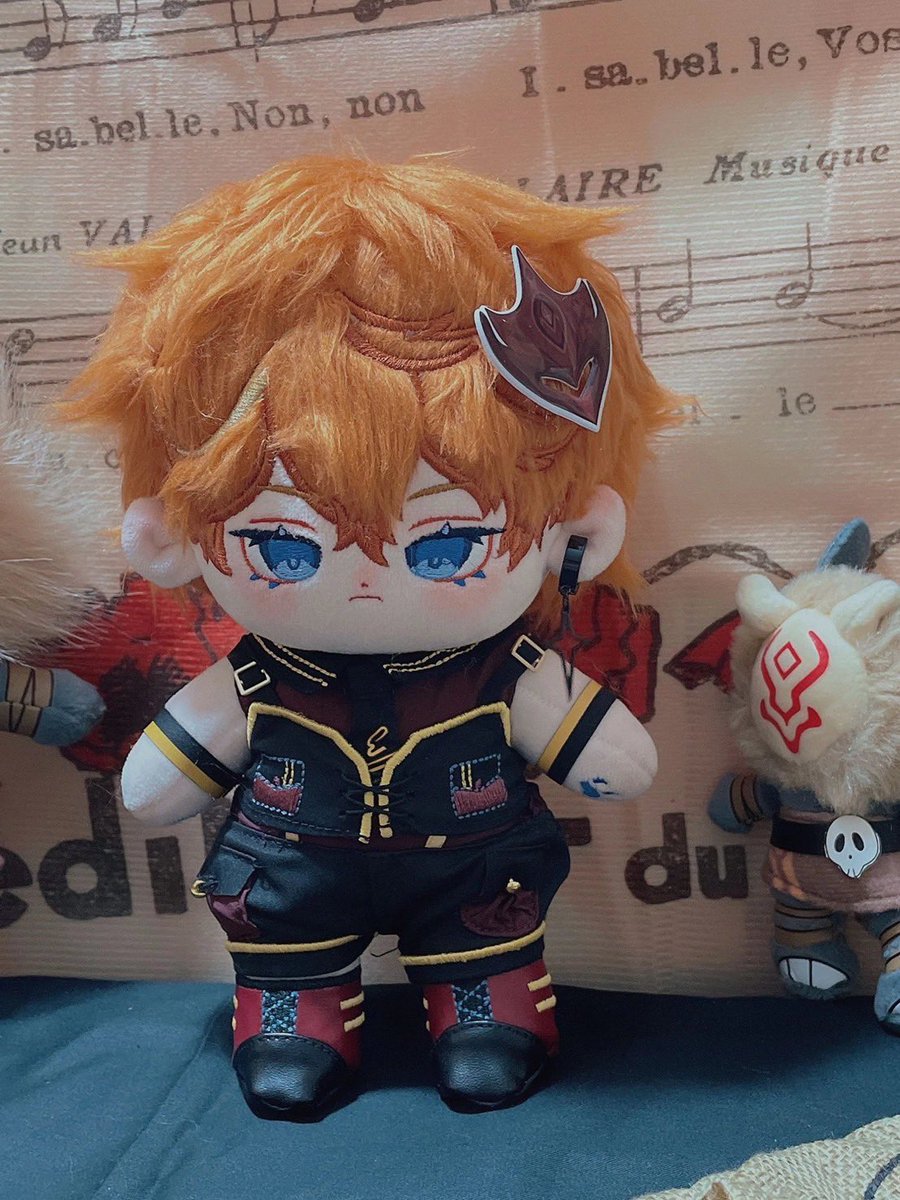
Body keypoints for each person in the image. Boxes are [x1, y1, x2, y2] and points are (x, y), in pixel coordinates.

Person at [62, 155, 677, 1119]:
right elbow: (155, 787)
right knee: (282, 940)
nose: (360, 578)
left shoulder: (507, 668)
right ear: (171, 537)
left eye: (446, 544)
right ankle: (293, 1009)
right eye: (282, 545)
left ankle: (485, 1004)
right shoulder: (258, 675)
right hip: (292, 869)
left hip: (476, 870)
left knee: (490, 937)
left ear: (577, 532)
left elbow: (619, 764)